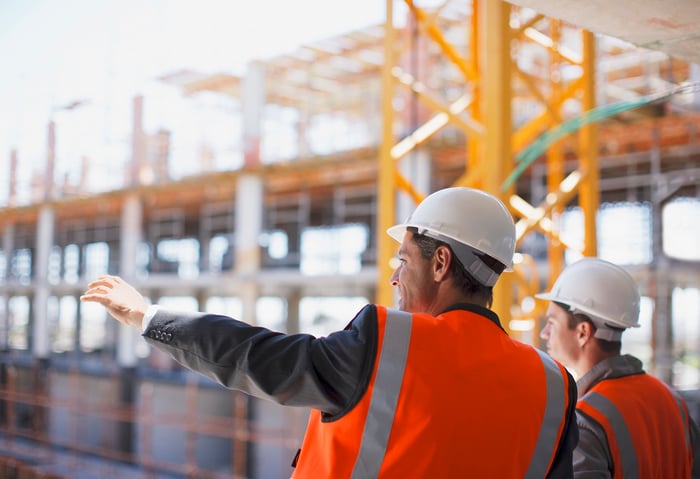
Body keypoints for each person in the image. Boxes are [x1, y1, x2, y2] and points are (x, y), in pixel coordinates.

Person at [81, 186, 578, 478]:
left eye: (402, 260)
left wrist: (148, 317)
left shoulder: (389, 343)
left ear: (441, 262)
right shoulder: (554, 386)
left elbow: (256, 356)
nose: (394, 277)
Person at [537, 257, 700, 478]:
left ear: (583, 332)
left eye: (552, 323)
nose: (544, 333)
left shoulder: (586, 419)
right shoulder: (673, 401)